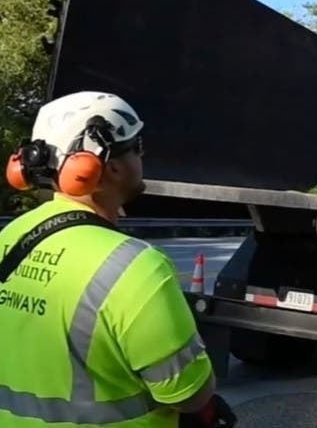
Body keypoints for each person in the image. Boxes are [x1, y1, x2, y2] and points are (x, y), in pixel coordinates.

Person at [1, 91, 235, 427]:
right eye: (136, 147)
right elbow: (190, 395)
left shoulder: (9, 237)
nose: (142, 156)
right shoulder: (136, 267)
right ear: (110, 166)